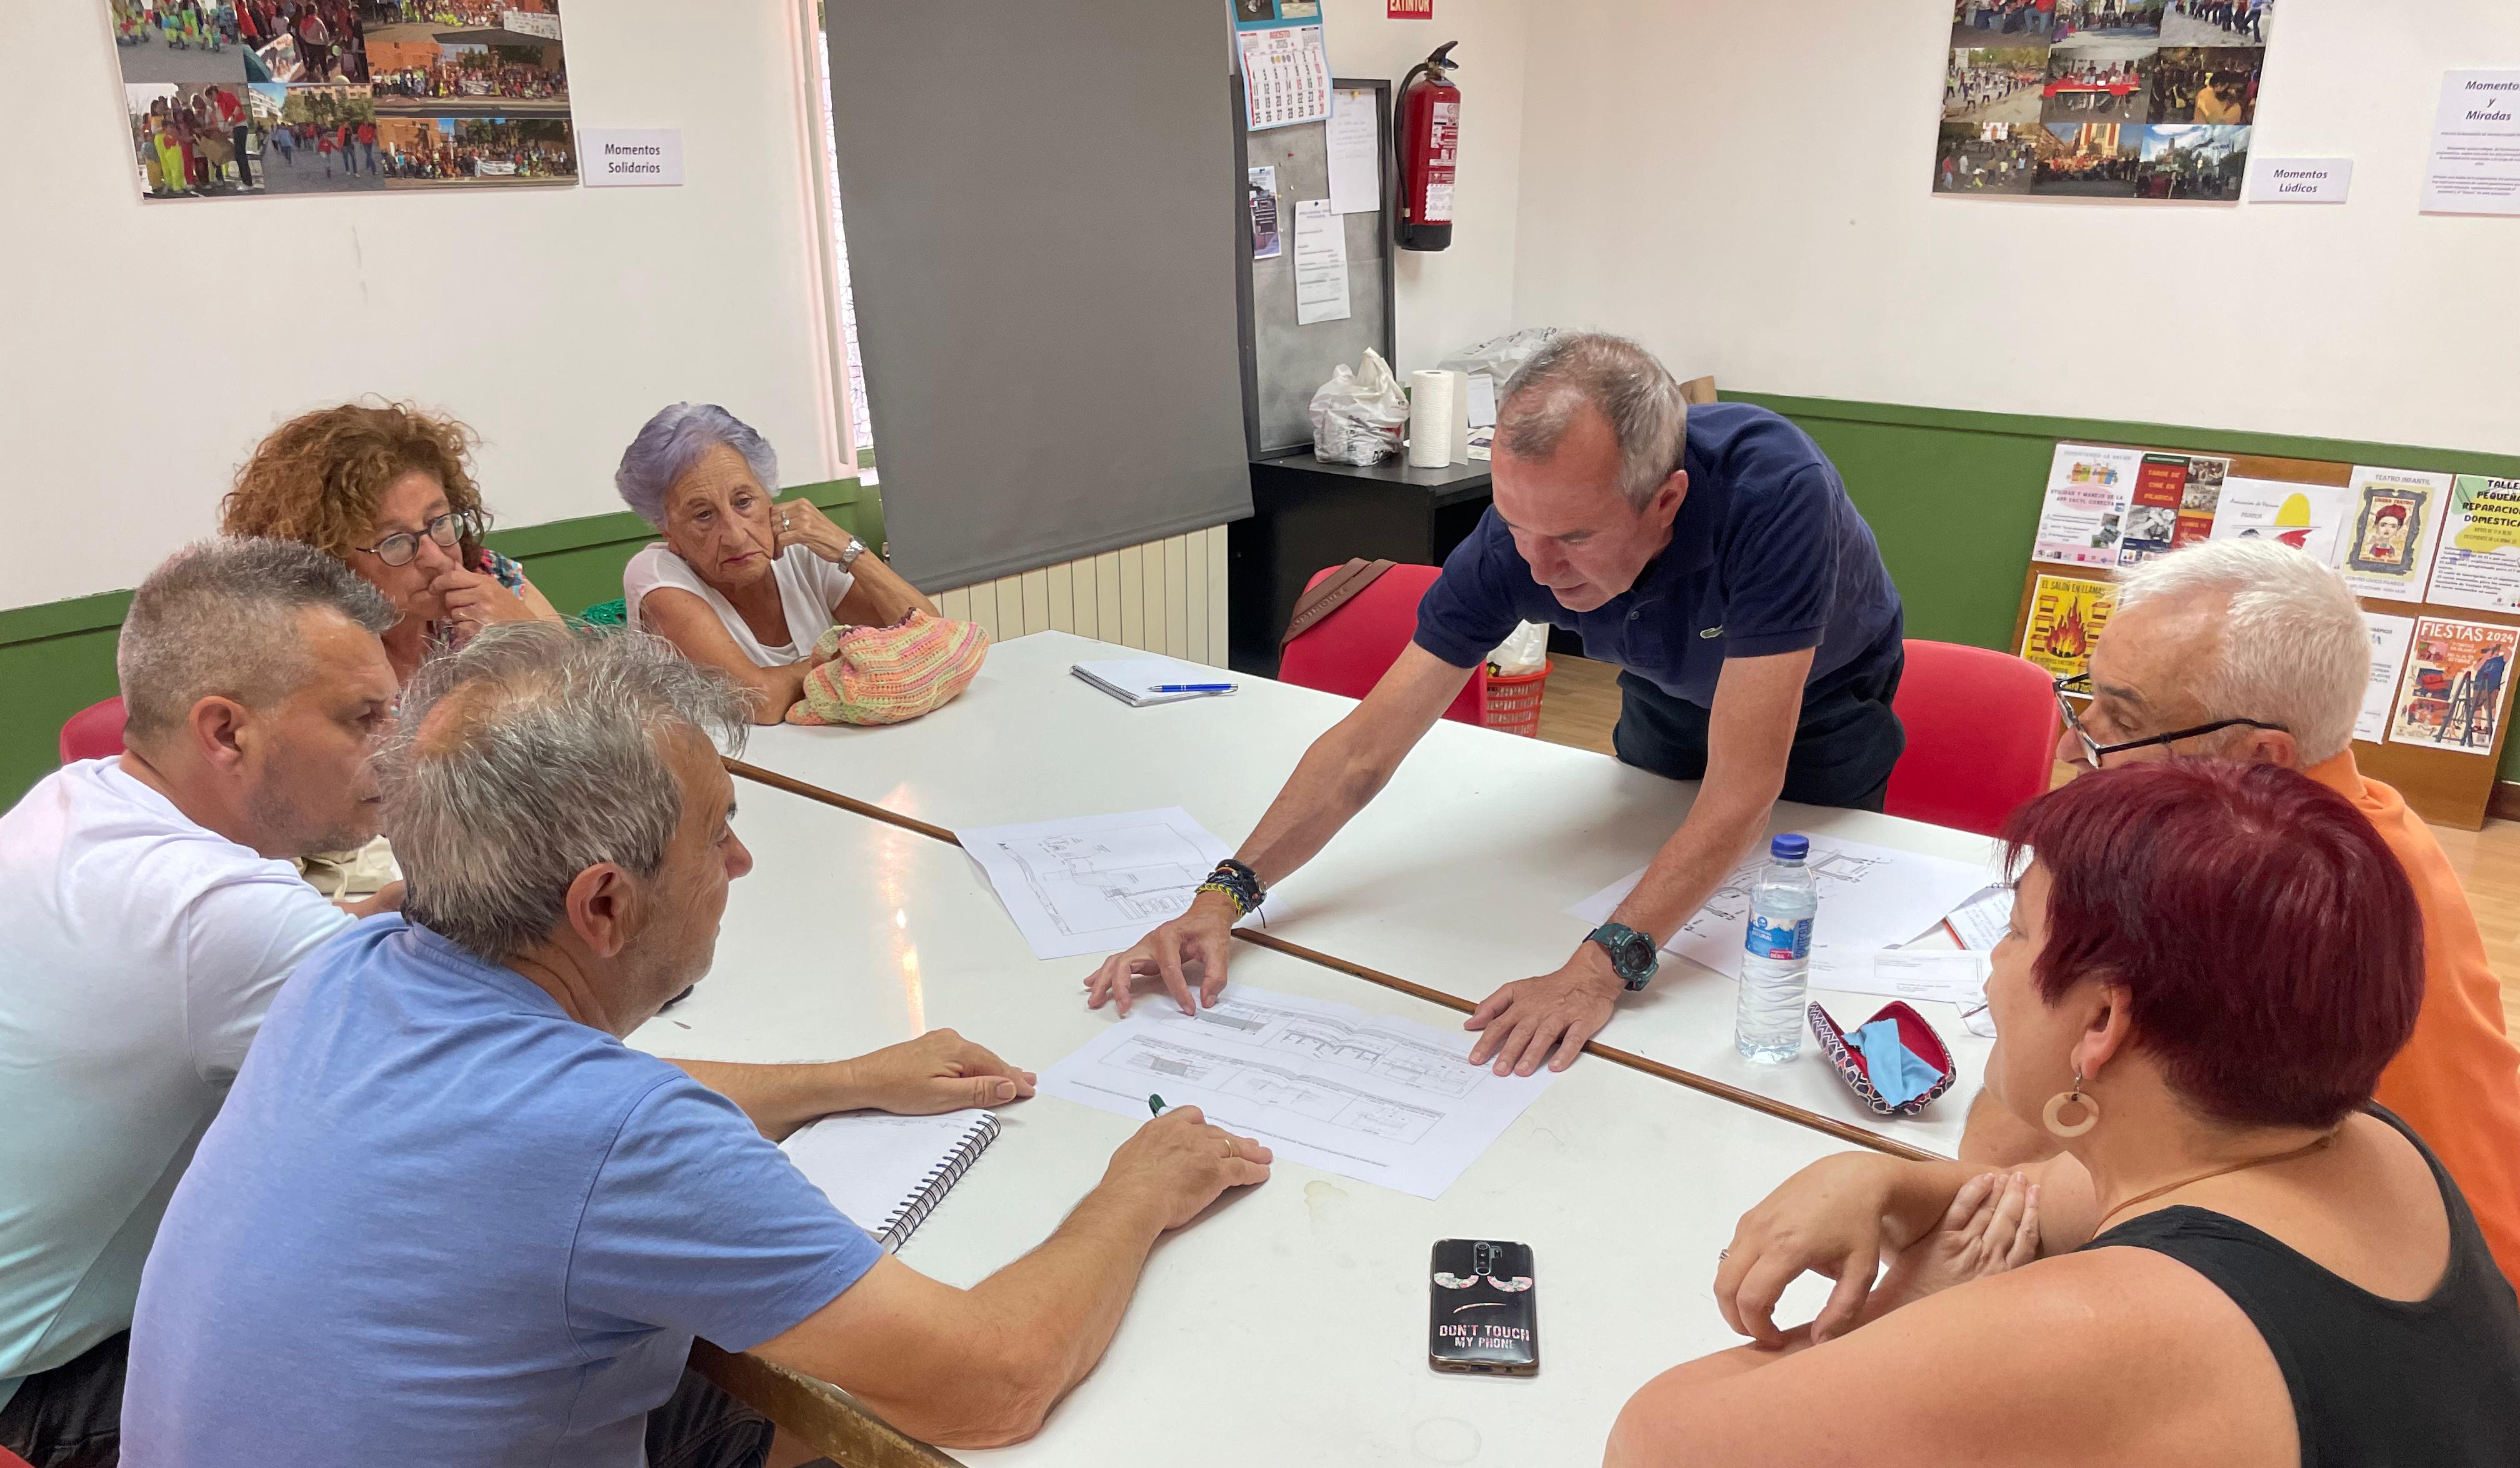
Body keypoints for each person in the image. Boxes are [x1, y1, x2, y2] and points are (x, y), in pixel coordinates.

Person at [108, 624, 1274, 1468]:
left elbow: (580, 1106)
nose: (740, 860)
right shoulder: (611, 1136)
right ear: (605, 904)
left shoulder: (350, 970)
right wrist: (1134, 1194)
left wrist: (842, 1079)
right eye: (716, 832)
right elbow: (994, 1381)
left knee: (706, 1390)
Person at [1607, 761, 2520, 1468]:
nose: (1992, 971)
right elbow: (2042, 1199)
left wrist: (1900, 1312)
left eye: (2014, 934)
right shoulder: (2372, 1149)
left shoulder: (2112, 1341)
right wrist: (1887, 1180)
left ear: (2099, 1022)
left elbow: (1659, 1460)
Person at [1086, 334, 1908, 1078]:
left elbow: (1744, 788)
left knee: (1779, 928)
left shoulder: (1774, 493)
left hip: (1823, 703)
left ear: (1666, 501)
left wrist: (1598, 970)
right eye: (1516, 523)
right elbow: (1365, 749)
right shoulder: (1520, 539)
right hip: (1666, 686)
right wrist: (1222, 898)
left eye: (1576, 538)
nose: (1539, 569)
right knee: (1636, 855)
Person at [1965, 536, 2520, 1289]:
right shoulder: (2363, 832)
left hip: (2410, 1287)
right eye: (2087, 699)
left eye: (2121, 720)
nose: (2073, 744)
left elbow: (2002, 1157)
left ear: (2260, 761)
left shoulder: (2238, 902)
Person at [0, 540, 402, 1468]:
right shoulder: (228, 918)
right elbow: (528, 1106)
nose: (397, 746)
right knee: (450, 1320)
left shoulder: (72, 802)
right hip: (25, 1414)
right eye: (363, 719)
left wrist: (367, 922)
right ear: (226, 732)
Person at [614, 403, 941, 723]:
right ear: (669, 533)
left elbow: (932, 639)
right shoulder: (654, 572)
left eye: (744, 502)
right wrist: (857, 661)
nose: (735, 536)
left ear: (768, 495)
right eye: (703, 515)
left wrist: (849, 550)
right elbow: (759, 700)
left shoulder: (799, 546)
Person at [221, 400, 557, 687]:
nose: (435, 557)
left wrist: (530, 638)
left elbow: (582, 703)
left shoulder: (490, 578)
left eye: (439, 522)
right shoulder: (306, 660)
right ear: (327, 560)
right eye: (395, 542)